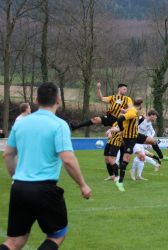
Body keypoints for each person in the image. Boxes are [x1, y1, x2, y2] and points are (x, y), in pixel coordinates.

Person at [1, 82, 91, 250]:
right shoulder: (59, 125)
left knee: (14, 242)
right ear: (58, 99)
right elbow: (68, 159)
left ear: (36, 100)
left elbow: (8, 154)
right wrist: (83, 185)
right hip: (44, 189)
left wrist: (15, 176)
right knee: (57, 234)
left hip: (19, 188)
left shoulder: (21, 123)